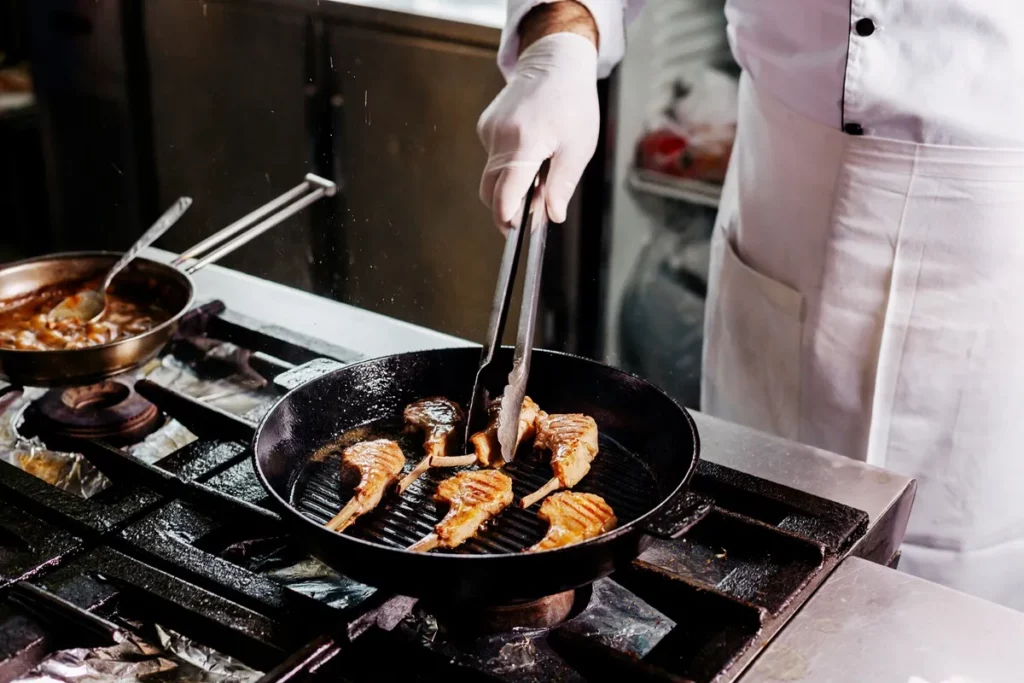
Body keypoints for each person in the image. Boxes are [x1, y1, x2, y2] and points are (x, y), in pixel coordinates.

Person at [476, 0, 1024, 610]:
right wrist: (561, 43)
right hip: (783, 190)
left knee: (947, 597)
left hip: (997, 235)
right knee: (748, 553)